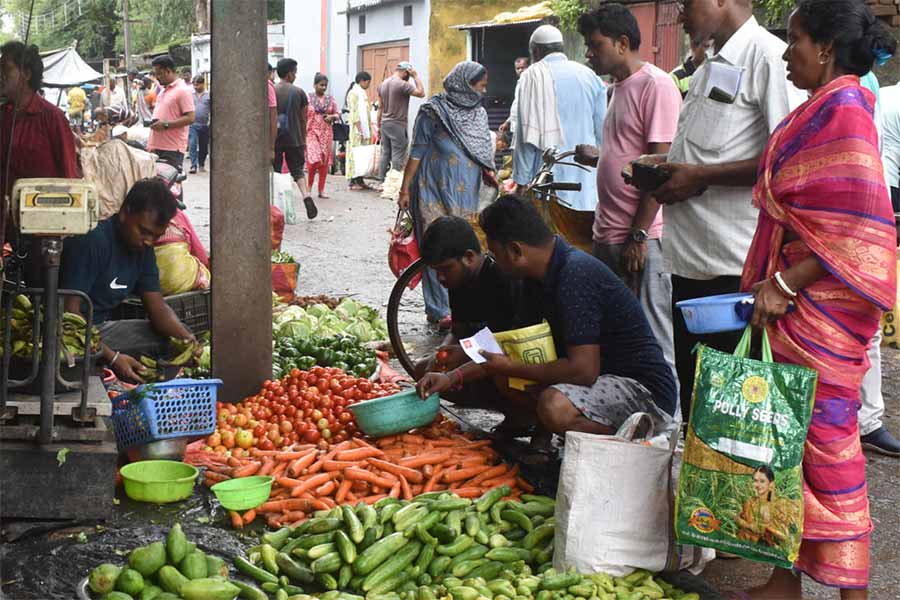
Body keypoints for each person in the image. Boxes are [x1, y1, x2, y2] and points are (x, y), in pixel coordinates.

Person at [737, 0, 897, 596]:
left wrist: (784, 282)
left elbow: (857, 223)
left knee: (828, 447)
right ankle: (785, 578)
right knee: (785, 442)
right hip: (796, 301)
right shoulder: (823, 106)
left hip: (820, 306)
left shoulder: (847, 108)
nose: (786, 52)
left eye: (796, 39)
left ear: (826, 47)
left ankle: (852, 588)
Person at [651, 0, 805, 422]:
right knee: (699, 399)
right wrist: (666, 171)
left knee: (731, 412)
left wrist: (699, 176)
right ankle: (701, 486)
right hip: (692, 263)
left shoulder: (768, 57)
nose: (681, 14)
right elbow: (707, 151)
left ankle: (734, 487)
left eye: (687, 3)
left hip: (734, 269)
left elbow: (787, 160)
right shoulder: (711, 65)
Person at [419, 196, 677, 444]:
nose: (494, 261)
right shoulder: (534, 279)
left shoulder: (575, 275)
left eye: (495, 253)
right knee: (510, 380)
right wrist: (452, 377)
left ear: (516, 250)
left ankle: (641, 439)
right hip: (602, 381)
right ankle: (539, 431)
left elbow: (583, 371)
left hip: (643, 391)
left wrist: (511, 367)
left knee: (554, 406)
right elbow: (506, 349)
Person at [573, 4, 683, 394]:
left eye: (595, 45)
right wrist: (600, 157)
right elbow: (628, 156)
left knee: (653, 337)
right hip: (609, 232)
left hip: (642, 236)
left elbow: (661, 163)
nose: (589, 53)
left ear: (622, 43)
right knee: (617, 336)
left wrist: (639, 233)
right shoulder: (615, 88)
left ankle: (665, 427)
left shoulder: (656, 85)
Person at [414, 216, 543, 436]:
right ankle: (514, 413)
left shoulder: (505, 278)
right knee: (422, 368)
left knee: (501, 375)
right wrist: (442, 354)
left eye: (445, 269)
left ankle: (531, 420)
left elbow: (505, 350)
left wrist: (454, 372)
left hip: (515, 359)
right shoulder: (458, 282)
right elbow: (458, 332)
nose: (440, 278)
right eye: (436, 271)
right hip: (483, 357)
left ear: (469, 257)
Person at [60, 179, 198, 383]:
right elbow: (69, 315)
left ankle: (138, 382)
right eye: (144, 231)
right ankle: (97, 368)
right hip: (68, 333)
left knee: (176, 338)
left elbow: (158, 308)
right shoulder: (92, 241)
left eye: (156, 236)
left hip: (102, 330)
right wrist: (113, 357)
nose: (149, 241)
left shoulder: (144, 251)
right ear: (125, 212)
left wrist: (189, 342)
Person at [398, 61, 496, 330]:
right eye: (480, 85)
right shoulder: (433, 111)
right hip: (433, 190)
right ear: (463, 83)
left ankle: (463, 308)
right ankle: (439, 309)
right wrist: (404, 188)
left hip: (468, 194)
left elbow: (484, 151)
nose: (483, 91)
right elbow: (416, 151)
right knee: (436, 249)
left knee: (465, 251)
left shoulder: (478, 113)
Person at [513, 24, 606, 219]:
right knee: (582, 239)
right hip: (585, 180)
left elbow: (525, 137)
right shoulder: (588, 75)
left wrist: (521, 183)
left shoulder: (531, 75)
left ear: (536, 51)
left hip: (546, 180)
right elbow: (602, 133)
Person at [0, 41, 80, 248]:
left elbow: (70, 175)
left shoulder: (52, 118)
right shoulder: (3, 114)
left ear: (26, 73)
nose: (1, 74)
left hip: (41, 228)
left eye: (5, 68)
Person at [274, 58, 317, 220]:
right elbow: (304, 118)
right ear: (290, 73)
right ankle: (306, 195)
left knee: (275, 171)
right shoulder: (299, 92)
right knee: (297, 170)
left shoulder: (271, 90)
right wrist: (303, 138)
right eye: (295, 72)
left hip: (275, 139)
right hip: (295, 138)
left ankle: (275, 204)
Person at [377, 61, 425, 179]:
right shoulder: (402, 84)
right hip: (397, 124)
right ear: (405, 73)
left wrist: (378, 125)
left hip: (384, 123)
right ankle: (394, 183)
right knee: (398, 153)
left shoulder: (383, 84)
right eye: (408, 75)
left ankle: (381, 180)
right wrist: (415, 76)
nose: (408, 78)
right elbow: (421, 93)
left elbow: (380, 107)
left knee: (385, 153)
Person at [148, 55, 195, 172]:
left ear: (168, 71)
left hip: (172, 149)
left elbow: (190, 118)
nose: (157, 78)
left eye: (159, 73)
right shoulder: (164, 90)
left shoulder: (182, 90)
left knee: (172, 186)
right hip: (157, 146)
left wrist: (165, 125)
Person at [734, 466, 794, 548]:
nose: (757, 485)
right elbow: (737, 518)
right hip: (742, 547)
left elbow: (785, 536)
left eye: (762, 481)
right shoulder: (749, 502)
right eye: (755, 481)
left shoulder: (780, 505)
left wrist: (766, 528)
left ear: (771, 483)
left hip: (766, 552)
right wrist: (748, 526)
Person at [305, 73, 339, 199]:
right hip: (311, 132)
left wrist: (332, 117)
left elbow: (337, 113)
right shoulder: (308, 99)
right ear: (314, 85)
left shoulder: (330, 99)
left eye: (325, 85)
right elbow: (302, 114)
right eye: (321, 85)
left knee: (324, 162)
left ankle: (321, 190)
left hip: (326, 133)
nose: (323, 87)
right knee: (314, 159)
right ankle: (308, 187)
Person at [346, 71, 373, 190]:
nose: (368, 85)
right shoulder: (354, 93)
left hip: (364, 129)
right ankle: (353, 181)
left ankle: (360, 179)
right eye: (368, 82)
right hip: (357, 130)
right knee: (355, 154)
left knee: (363, 154)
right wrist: (360, 129)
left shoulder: (362, 93)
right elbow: (354, 113)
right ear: (362, 81)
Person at [497, 56, 530, 144]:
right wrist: (508, 122)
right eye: (517, 68)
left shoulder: (531, 83)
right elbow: (517, 105)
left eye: (523, 67)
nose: (520, 70)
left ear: (529, 67)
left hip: (526, 127)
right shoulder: (519, 83)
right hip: (517, 127)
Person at [189, 75, 210, 174]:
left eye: (197, 85)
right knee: (192, 144)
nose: (196, 87)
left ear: (203, 84)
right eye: (194, 85)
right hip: (192, 124)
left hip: (204, 124)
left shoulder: (209, 95)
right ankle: (193, 165)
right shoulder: (190, 94)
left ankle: (201, 164)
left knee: (203, 146)